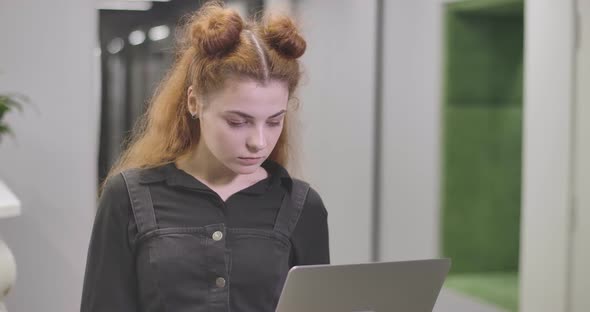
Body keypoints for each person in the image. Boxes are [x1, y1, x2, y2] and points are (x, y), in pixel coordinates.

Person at [80, 2, 330, 312]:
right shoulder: (127, 198)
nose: (259, 142)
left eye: (274, 121)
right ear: (195, 101)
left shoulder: (303, 207)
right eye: (238, 121)